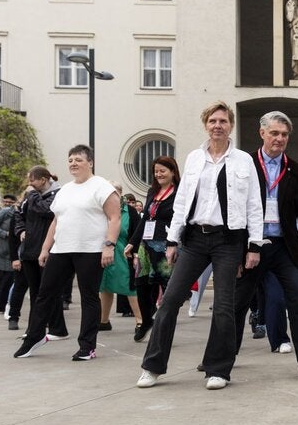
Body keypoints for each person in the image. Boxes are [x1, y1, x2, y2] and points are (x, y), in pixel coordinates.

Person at [137, 101, 263, 390]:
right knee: (169, 301)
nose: (218, 125)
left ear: (231, 125)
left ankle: (218, 369)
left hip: (228, 240)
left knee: (223, 307)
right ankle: (152, 366)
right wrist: (172, 239)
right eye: (212, 121)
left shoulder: (243, 160)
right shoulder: (194, 158)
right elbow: (181, 202)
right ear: (206, 124)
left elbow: (254, 204)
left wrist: (254, 246)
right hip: (194, 238)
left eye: (223, 121)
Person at [230, 111, 298, 381]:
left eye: (284, 134)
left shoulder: (296, 171)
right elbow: (235, 211)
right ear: (262, 134)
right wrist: (238, 253)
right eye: (274, 133)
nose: (279, 138)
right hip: (252, 247)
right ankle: (223, 356)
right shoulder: (245, 165)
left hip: (284, 247)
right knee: (236, 303)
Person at [13, 145, 120, 361]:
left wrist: (109, 245)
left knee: (89, 297)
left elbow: (114, 218)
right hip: (61, 249)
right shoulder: (65, 190)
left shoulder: (101, 186)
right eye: (70, 159)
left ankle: (87, 346)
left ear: (90, 162)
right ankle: (34, 337)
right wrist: (45, 248)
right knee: (45, 294)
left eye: (78, 159)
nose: (73, 163)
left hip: (90, 250)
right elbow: (56, 220)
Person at [125, 156, 180, 342]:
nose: (159, 174)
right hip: (145, 246)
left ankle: (165, 329)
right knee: (141, 285)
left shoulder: (179, 193)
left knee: (167, 287)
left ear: (173, 171)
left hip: (167, 246)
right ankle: (147, 321)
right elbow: (145, 220)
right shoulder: (152, 192)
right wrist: (133, 242)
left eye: (163, 171)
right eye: (156, 171)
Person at [9, 167, 67, 336]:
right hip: (29, 250)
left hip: (47, 250)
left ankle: (57, 329)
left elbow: (45, 210)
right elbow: (19, 215)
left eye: (32, 181)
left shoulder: (57, 194)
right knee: (35, 292)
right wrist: (21, 231)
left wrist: (32, 195)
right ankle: (34, 330)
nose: (30, 185)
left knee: (49, 291)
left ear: (43, 180)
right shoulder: (30, 198)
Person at [98, 182, 142, 332]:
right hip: (102, 253)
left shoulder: (129, 211)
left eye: (113, 192)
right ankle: (103, 321)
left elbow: (137, 233)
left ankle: (140, 320)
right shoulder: (100, 209)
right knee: (105, 286)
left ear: (120, 193)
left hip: (124, 254)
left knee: (129, 286)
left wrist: (135, 253)